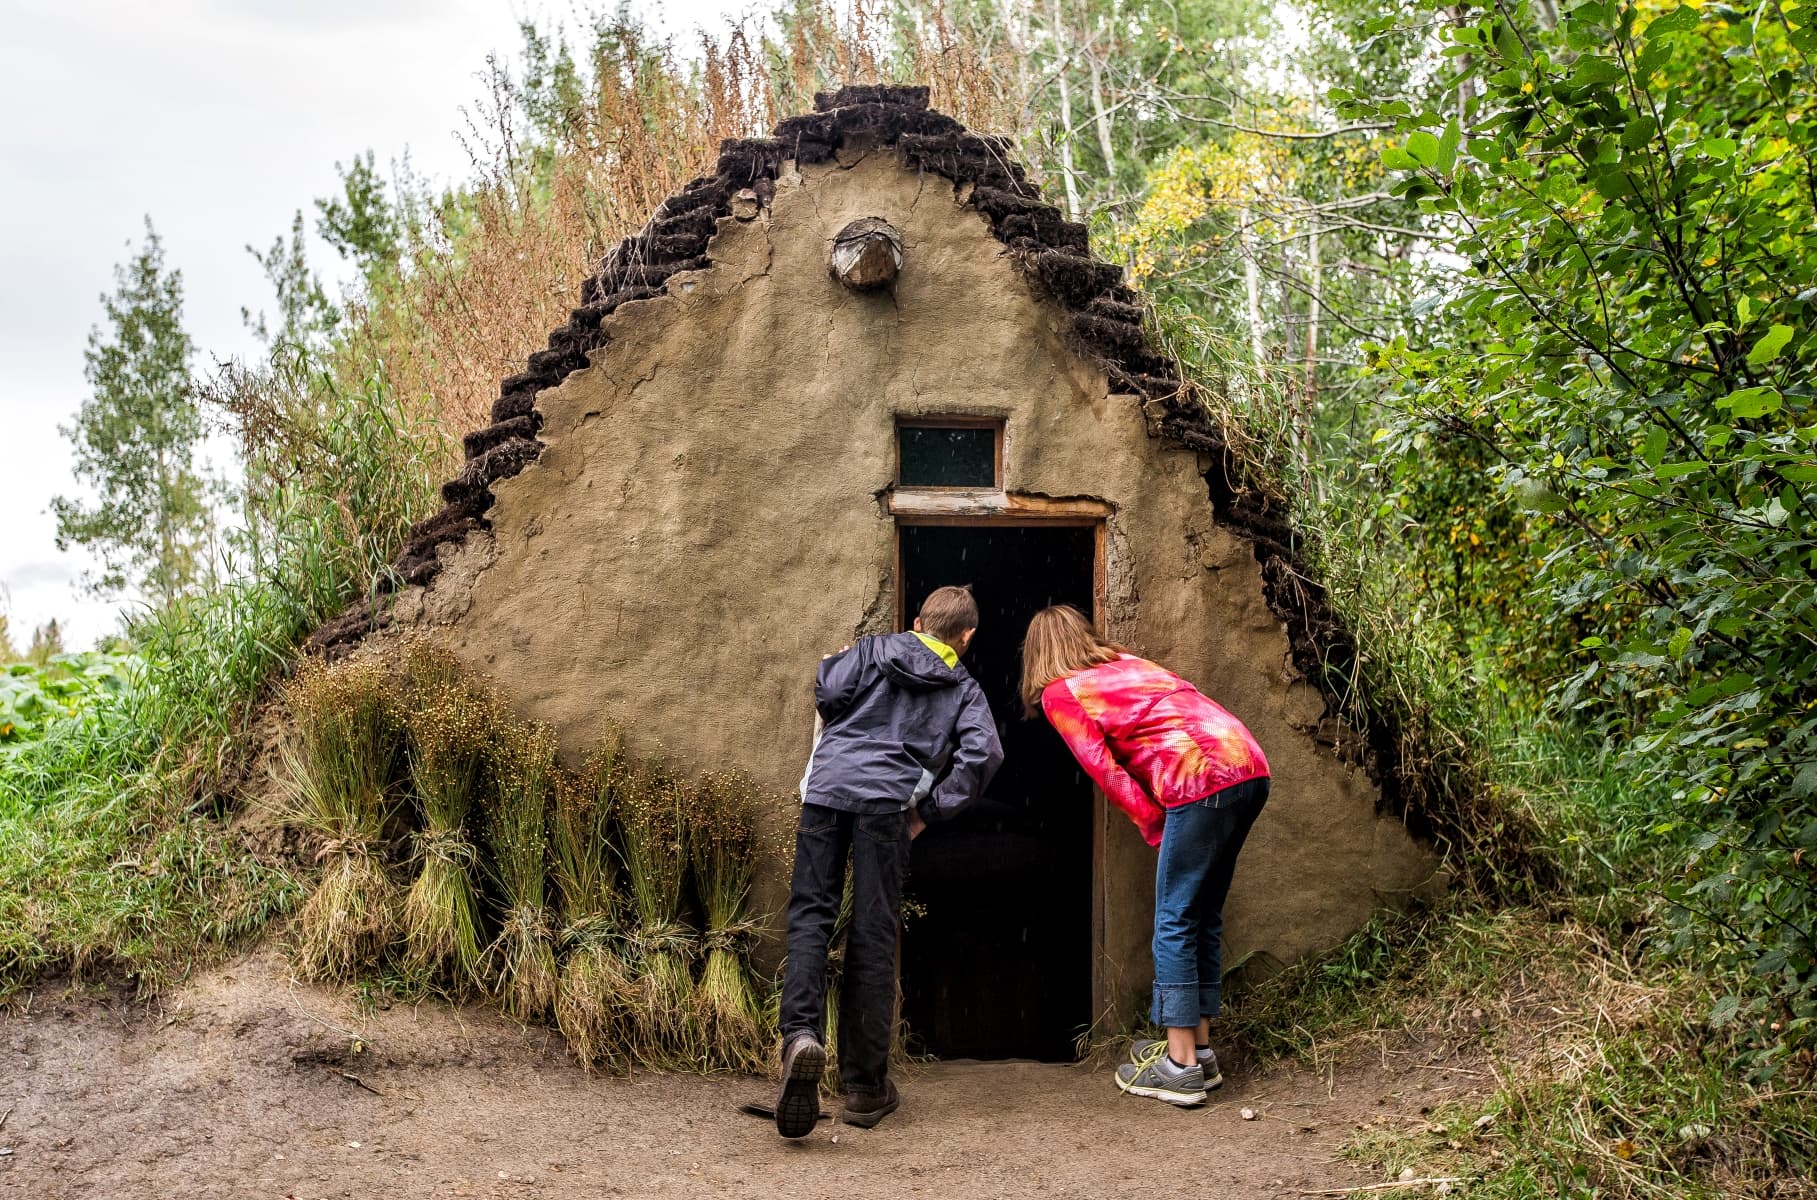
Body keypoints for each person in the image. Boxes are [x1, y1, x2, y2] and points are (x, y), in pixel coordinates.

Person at [774, 585, 1003, 1137]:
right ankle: (864, 1087)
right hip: (888, 809)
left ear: (919, 621)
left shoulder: (874, 650)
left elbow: (827, 690)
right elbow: (984, 754)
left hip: (826, 792)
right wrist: (929, 811)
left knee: (811, 917)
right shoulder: (964, 689)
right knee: (872, 935)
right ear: (966, 636)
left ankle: (801, 1038)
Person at [1021, 604, 1269, 1108]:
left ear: (1036, 654)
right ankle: (1200, 1052)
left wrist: (1154, 823)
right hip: (1248, 764)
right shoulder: (1128, 665)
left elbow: (1104, 770)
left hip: (1199, 780)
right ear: (1082, 637)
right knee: (1202, 916)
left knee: (1175, 919)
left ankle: (1179, 1068)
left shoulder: (1061, 691)